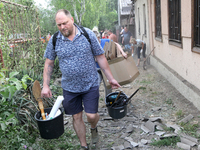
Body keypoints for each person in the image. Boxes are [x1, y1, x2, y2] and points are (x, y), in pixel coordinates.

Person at [41, 9, 121, 150]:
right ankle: (84, 146)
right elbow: (49, 63)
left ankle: (94, 127)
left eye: (64, 23)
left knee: (91, 116)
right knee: (76, 117)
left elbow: (100, 57)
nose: (62, 27)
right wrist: (45, 85)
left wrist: (111, 78)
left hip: (90, 84)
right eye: (59, 25)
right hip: (69, 88)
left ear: (72, 19)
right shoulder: (54, 40)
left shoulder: (87, 34)